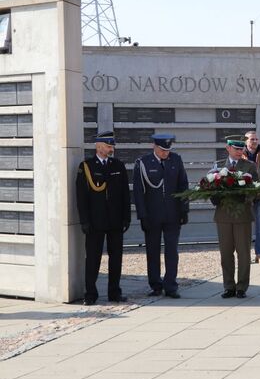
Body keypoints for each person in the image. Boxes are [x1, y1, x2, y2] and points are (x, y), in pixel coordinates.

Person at [75, 131, 130, 305]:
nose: (111, 149)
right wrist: (84, 220)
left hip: (115, 221)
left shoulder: (118, 166)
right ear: (99, 147)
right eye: (108, 146)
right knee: (92, 258)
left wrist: (126, 217)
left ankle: (114, 292)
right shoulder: (87, 167)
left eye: (112, 146)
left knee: (116, 258)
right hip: (95, 222)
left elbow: (125, 195)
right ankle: (90, 294)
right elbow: (81, 197)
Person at [132, 134, 189, 299]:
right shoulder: (143, 163)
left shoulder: (176, 160)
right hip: (152, 215)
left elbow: (183, 184)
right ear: (154, 147)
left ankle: (171, 285)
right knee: (152, 251)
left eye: (168, 150)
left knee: (172, 251)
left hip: (172, 214)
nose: (166, 153)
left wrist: (184, 209)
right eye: (163, 150)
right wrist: (142, 215)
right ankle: (155, 284)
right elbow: (138, 192)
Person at [213, 135, 257, 299]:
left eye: (241, 149)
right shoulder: (218, 166)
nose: (240, 152)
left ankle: (242, 287)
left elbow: (256, 188)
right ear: (228, 148)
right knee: (225, 253)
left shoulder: (249, 166)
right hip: (223, 214)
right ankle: (229, 286)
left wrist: (246, 198)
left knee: (243, 253)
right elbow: (211, 185)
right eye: (236, 149)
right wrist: (214, 196)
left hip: (242, 215)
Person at [242, 130, 260, 264]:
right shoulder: (240, 156)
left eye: (256, 139)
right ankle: (244, 254)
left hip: (259, 196)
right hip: (245, 197)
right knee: (245, 227)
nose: (254, 141)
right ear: (246, 141)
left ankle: (259, 254)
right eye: (251, 139)